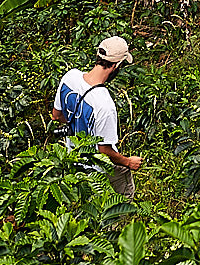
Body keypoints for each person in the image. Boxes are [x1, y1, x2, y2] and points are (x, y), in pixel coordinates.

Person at [55, 36, 143, 196]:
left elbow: (56, 115)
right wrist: (129, 162)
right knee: (120, 203)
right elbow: (104, 150)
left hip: (73, 160)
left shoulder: (70, 77)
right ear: (116, 65)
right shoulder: (105, 104)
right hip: (98, 170)